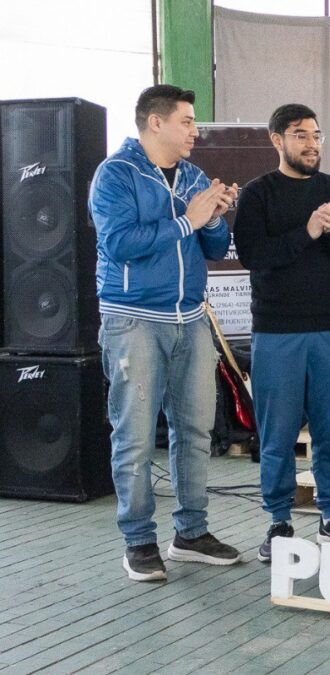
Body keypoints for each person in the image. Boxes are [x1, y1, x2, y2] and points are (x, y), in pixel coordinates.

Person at [89, 84, 241, 581]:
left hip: (190, 320)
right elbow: (120, 245)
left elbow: (214, 247)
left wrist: (215, 216)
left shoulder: (195, 175)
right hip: (132, 319)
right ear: (156, 123)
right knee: (134, 438)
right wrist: (187, 218)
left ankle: (191, 533)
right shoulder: (116, 175)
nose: (196, 131)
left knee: (195, 432)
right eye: (187, 121)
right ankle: (138, 541)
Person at [232, 104, 330, 561]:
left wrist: (328, 230)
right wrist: (308, 230)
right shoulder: (258, 194)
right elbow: (254, 255)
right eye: (300, 135)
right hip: (277, 332)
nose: (312, 144)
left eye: (316, 135)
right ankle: (279, 522)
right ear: (277, 140)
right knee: (277, 434)